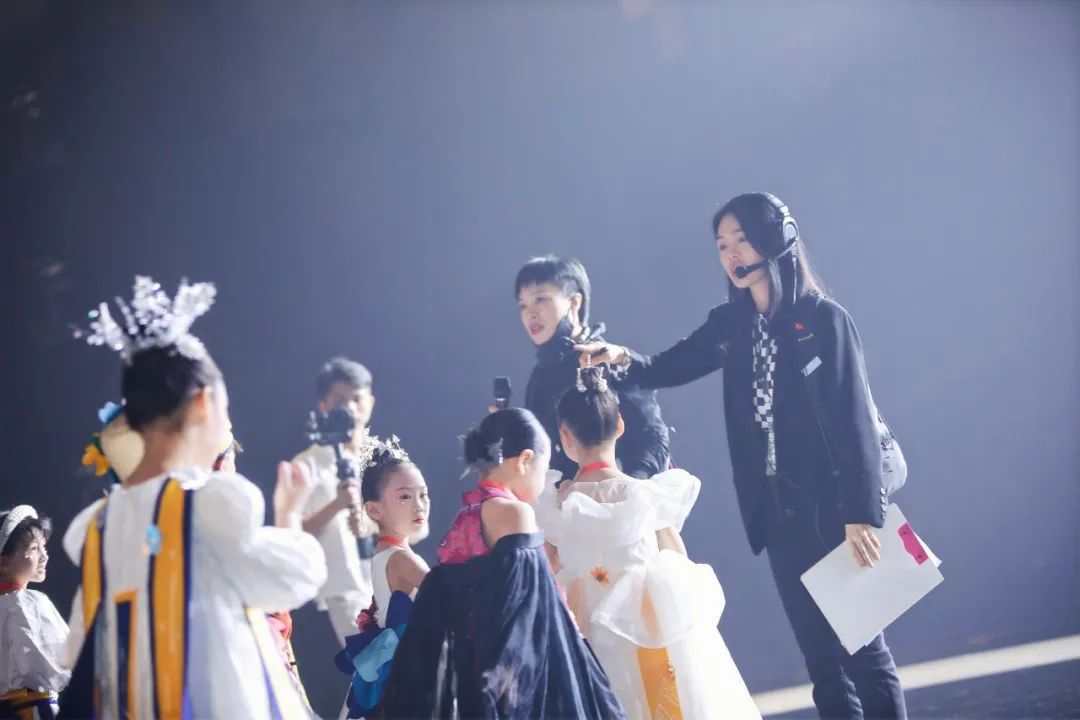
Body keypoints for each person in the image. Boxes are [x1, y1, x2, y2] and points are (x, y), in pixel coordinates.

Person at [579, 194, 907, 719]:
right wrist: (621, 358)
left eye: (742, 240)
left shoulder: (824, 320)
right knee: (822, 663)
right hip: (778, 513)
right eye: (722, 246)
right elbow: (667, 366)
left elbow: (855, 422)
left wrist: (861, 513)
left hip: (833, 509)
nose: (732, 254)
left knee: (864, 652)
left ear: (777, 240)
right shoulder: (732, 323)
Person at [63, 276, 326, 718]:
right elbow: (290, 579)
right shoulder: (208, 502)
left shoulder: (95, 526)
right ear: (204, 403)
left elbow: (76, 649)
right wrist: (289, 516)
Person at [534, 364, 760, 719]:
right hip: (652, 628)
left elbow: (550, 564)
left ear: (565, 436)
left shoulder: (558, 506)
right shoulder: (646, 496)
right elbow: (676, 555)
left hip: (585, 629)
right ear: (620, 425)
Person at [378, 409, 626, 719]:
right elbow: (527, 609)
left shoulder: (468, 515)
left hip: (473, 664)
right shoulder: (514, 513)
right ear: (524, 461)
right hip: (511, 669)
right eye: (543, 468)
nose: (543, 480)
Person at [514, 255, 670, 480]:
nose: (531, 313)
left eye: (540, 299)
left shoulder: (606, 359)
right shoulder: (540, 375)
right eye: (523, 305)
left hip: (618, 491)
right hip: (567, 496)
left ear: (574, 302)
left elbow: (652, 436)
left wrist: (631, 487)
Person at [335, 433, 430, 718]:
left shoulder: (388, 553)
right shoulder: (401, 559)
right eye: (405, 496)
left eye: (423, 494)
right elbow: (445, 592)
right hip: (408, 672)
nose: (419, 504)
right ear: (374, 509)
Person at [293, 357, 378, 646]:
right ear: (324, 405)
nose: (350, 408)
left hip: (393, 578)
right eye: (340, 400)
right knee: (377, 665)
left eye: (357, 399)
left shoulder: (382, 458)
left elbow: (417, 525)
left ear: (370, 404)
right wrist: (338, 505)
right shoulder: (307, 464)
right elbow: (293, 532)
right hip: (345, 589)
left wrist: (371, 522)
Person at [0, 506, 69, 719]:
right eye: (34, 548)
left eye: (43, 547)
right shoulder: (30, 603)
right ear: (4, 562)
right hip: (35, 710)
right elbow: (63, 664)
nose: (44, 556)